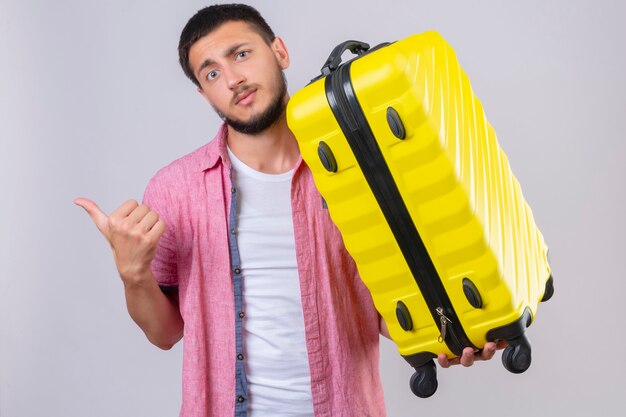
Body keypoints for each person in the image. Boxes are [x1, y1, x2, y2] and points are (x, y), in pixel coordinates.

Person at [75, 4, 500, 416]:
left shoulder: (356, 168)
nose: (233, 79)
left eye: (241, 54)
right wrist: (133, 275)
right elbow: (164, 333)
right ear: (204, 94)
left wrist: (448, 334)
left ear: (279, 51)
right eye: (212, 73)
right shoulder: (175, 189)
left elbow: (381, 312)